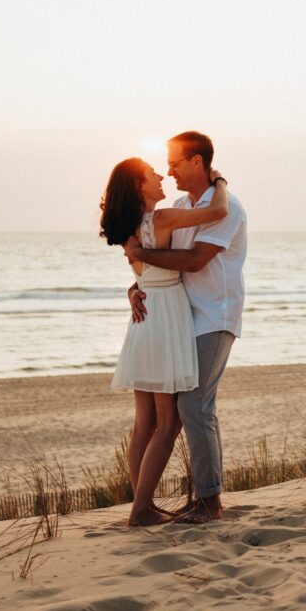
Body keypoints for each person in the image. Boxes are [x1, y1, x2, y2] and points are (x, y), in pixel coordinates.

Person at [124, 131, 247, 523]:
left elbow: (195, 261)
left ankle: (210, 504)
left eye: (175, 162)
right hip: (178, 320)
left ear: (198, 162)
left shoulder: (230, 208)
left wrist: (143, 254)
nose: (169, 170)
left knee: (194, 407)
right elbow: (158, 263)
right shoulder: (178, 206)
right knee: (179, 412)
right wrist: (136, 285)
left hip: (214, 316)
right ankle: (159, 503)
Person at [100, 157, 229, 526]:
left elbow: (145, 276)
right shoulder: (160, 220)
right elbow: (218, 211)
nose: (160, 177)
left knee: (144, 424)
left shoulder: (128, 229)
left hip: (144, 317)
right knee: (168, 423)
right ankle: (141, 509)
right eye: (150, 175)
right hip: (166, 317)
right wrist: (219, 180)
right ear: (138, 187)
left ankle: (142, 503)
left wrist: (133, 290)